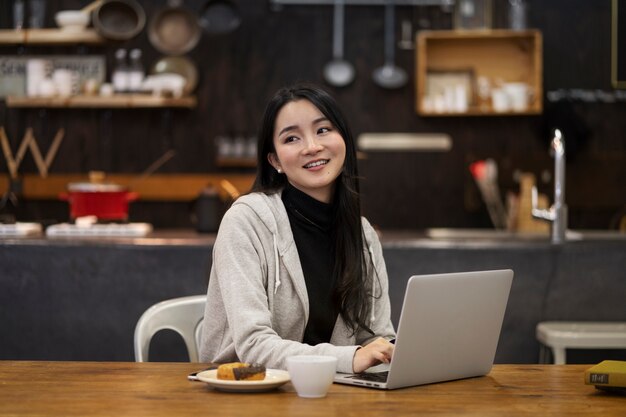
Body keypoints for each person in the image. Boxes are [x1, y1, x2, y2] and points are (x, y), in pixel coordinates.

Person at [199, 83, 395, 374]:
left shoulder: (362, 234)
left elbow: (375, 335)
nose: (312, 146)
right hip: (247, 392)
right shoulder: (245, 222)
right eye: (291, 138)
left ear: (344, 138)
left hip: (330, 391)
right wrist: (349, 358)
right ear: (275, 160)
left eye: (323, 130)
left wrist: (398, 351)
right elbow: (253, 344)